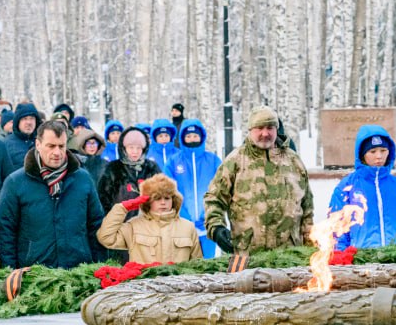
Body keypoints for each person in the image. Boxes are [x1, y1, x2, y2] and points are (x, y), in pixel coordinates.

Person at [203, 105, 313, 255]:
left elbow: (307, 208)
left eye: (270, 128)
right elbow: (214, 198)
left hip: (289, 256)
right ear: (250, 130)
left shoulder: (294, 161)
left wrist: (309, 248)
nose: (265, 133)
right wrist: (216, 228)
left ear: (276, 129)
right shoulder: (235, 161)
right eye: (260, 128)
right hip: (247, 255)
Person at [0, 120, 104, 269]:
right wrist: (10, 272)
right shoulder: (16, 182)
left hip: (78, 270)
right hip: (33, 273)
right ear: (38, 144)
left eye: (61, 146)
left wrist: (99, 268)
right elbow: (5, 232)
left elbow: (96, 225)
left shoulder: (83, 179)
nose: (57, 152)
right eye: (51, 146)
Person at [328, 125, 396, 249]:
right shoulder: (347, 187)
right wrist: (343, 255)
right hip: (360, 256)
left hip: (394, 256)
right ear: (362, 155)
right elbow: (337, 228)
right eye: (373, 151)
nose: (379, 156)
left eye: (383, 150)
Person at [97, 174, 203, 264]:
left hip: (179, 282)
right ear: (148, 201)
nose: (163, 202)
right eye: (157, 198)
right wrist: (122, 208)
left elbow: (197, 264)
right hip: (143, 282)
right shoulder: (134, 226)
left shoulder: (187, 227)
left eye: (167, 198)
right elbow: (106, 238)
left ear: (174, 200)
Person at [169, 118, 222, 257]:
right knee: (184, 262)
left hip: (207, 224)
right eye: (188, 136)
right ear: (182, 138)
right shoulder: (174, 161)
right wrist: (182, 214)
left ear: (201, 137)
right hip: (181, 224)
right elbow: (168, 190)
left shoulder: (212, 160)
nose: (192, 139)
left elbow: (221, 188)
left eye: (195, 136)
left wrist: (209, 213)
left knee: (208, 263)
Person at [97, 125, 162, 214]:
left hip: (147, 219)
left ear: (144, 149)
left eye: (138, 148)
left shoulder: (151, 167)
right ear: (124, 148)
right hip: (121, 219)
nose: (135, 152)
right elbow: (103, 197)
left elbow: (161, 193)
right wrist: (112, 216)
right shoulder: (113, 168)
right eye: (131, 147)